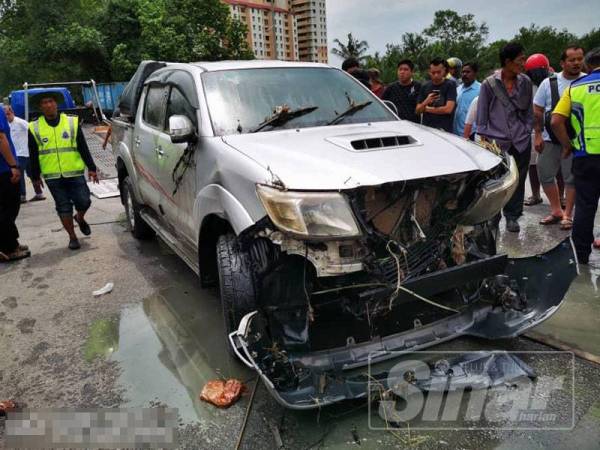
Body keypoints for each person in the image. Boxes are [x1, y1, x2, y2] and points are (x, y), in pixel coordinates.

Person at [28, 92, 100, 250]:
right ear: (40, 107)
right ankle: (72, 237)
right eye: (44, 103)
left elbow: (83, 147)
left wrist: (92, 168)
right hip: (52, 175)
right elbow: (33, 154)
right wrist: (35, 177)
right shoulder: (34, 127)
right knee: (63, 206)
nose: (48, 105)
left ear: (56, 103)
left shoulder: (72, 122)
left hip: (74, 171)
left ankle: (79, 217)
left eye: (51, 101)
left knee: (84, 201)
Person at [476, 42, 533, 233]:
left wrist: (526, 130)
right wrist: (484, 141)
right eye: (520, 60)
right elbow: (481, 117)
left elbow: (528, 111)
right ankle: (493, 216)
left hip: (521, 139)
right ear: (508, 62)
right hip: (495, 142)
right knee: (496, 181)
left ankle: (512, 217)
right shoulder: (489, 84)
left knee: (518, 179)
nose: (523, 63)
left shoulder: (525, 82)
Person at [551, 47, 600, 264]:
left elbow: (555, 121)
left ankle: (581, 255)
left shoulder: (575, 87)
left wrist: (567, 145)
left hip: (585, 156)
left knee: (585, 205)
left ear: (588, 66)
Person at [534, 46, 586, 230]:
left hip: (576, 140)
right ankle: (556, 210)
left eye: (580, 59)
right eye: (572, 60)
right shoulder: (548, 83)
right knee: (545, 174)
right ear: (562, 63)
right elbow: (538, 110)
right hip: (550, 138)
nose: (577, 63)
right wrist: (538, 134)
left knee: (571, 178)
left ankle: (568, 214)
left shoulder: (587, 82)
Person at [0, 106, 30, 262]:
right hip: (3, 169)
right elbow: (0, 138)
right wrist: (12, 165)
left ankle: (12, 243)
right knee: (9, 208)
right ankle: (8, 248)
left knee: (4, 209)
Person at [523, 53, 551, 206]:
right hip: (533, 129)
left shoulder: (551, 82)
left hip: (552, 128)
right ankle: (535, 195)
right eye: (533, 72)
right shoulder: (526, 86)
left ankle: (561, 196)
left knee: (557, 166)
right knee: (532, 166)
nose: (537, 75)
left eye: (539, 71)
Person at [3, 105, 45, 203]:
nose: (7, 117)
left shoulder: (20, 122)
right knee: (28, 174)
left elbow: (33, 130)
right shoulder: (6, 125)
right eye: (5, 115)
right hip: (17, 153)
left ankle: (24, 195)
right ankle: (35, 194)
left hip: (23, 152)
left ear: (12, 112)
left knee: (26, 174)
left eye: (8, 114)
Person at [416, 57, 457, 132]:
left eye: (439, 72)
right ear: (429, 72)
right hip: (427, 130)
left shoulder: (450, 85)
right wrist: (426, 102)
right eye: (433, 72)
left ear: (444, 71)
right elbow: (417, 110)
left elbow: (448, 109)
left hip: (445, 130)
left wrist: (427, 109)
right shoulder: (424, 86)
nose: (436, 75)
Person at [381, 59, 422, 123]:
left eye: (406, 69)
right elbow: (382, 105)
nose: (402, 72)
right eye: (400, 69)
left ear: (412, 72)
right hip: (395, 124)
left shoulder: (418, 87)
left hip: (414, 125)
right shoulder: (390, 88)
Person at [453, 62, 481, 137]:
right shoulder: (458, 89)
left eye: (468, 72)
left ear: (475, 73)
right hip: (455, 133)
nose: (464, 74)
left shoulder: (481, 90)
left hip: (472, 133)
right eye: (463, 72)